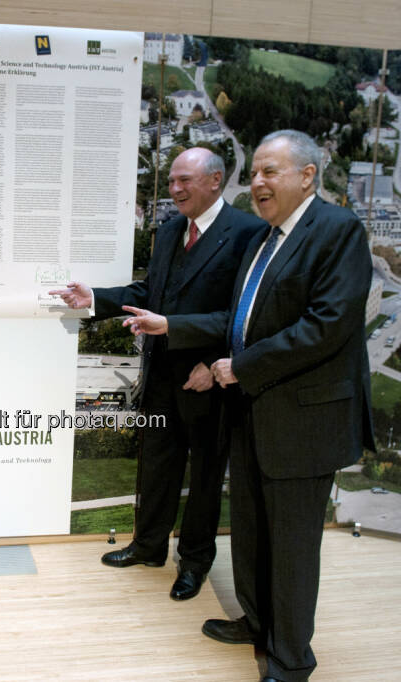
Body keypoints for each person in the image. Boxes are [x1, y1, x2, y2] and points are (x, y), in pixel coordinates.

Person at [122, 130, 374, 682]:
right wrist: (187, 334)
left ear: (307, 176)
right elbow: (239, 320)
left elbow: (326, 327)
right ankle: (257, 623)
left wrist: (242, 366)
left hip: (302, 421)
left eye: (270, 172)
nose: (257, 183)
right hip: (256, 412)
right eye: (254, 172)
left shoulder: (336, 231)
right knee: (254, 532)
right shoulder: (267, 239)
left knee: (291, 546)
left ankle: (289, 658)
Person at [50, 147, 264, 601]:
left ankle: (194, 563)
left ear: (215, 181)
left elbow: (244, 313)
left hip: (211, 379)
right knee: (156, 468)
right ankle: (148, 547)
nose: (174, 189)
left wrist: (213, 363)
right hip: (163, 375)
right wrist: (94, 298)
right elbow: (151, 292)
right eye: (171, 181)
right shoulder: (168, 231)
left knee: (205, 478)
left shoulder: (248, 233)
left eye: (184, 180)